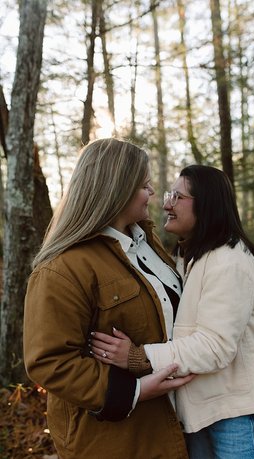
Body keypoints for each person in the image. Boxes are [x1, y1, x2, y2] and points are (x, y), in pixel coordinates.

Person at [90, 165, 254, 458]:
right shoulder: (191, 256)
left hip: (238, 417)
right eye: (169, 194)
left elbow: (215, 346)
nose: (166, 203)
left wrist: (140, 357)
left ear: (206, 204)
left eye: (177, 196)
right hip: (203, 412)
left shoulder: (229, 262)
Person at [24, 138, 194, 458]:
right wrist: (136, 391)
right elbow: (50, 362)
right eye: (144, 185)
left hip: (175, 422)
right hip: (113, 441)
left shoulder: (147, 241)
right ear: (117, 188)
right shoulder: (63, 268)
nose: (153, 193)